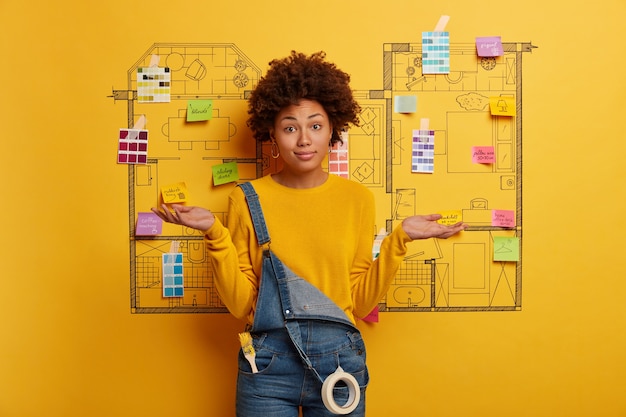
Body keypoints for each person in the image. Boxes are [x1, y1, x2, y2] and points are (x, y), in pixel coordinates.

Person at [152, 51, 466, 417]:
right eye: (290, 127)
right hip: (267, 366)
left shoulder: (357, 200)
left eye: (315, 126)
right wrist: (214, 234)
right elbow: (241, 305)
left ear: (333, 128)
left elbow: (360, 304)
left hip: (340, 362)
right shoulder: (246, 199)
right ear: (272, 132)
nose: (304, 139)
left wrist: (399, 240)